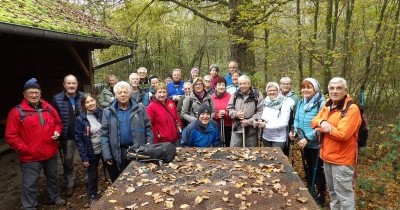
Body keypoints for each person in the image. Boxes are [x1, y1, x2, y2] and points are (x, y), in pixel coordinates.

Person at [6, 78, 66, 209]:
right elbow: (11, 136)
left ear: (40, 93)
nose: (34, 95)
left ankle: (54, 197)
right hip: (30, 157)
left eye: (36, 92)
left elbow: (58, 123)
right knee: (30, 184)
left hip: (50, 152)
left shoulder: (48, 108)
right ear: (24, 95)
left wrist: (57, 132)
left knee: (52, 178)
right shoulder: (17, 112)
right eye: (30, 92)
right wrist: (26, 149)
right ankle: (29, 207)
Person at [311, 77, 362, 210]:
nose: (335, 91)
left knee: (344, 196)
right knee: (333, 193)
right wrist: (323, 122)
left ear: (345, 90)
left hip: (343, 160)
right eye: (332, 88)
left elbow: (343, 134)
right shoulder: (328, 104)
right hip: (327, 157)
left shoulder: (352, 109)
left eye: (338, 88)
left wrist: (321, 128)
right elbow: (314, 121)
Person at [101, 81, 153, 182]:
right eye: (119, 93)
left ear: (130, 93)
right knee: (123, 179)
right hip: (120, 152)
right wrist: (107, 155)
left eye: (125, 92)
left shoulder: (140, 108)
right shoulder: (108, 112)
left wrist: (149, 147)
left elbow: (148, 128)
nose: (123, 94)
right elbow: (104, 135)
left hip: (139, 150)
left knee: (140, 178)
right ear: (115, 95)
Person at [75, 94, 116, 206]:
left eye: (92, 100)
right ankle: (92, 195)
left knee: (112, 169)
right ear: (84, 105)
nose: (90, 103)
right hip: (92, 151)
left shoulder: (103, 113)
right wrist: (84, 157)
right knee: (92, 174)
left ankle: (117, 189)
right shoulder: (81, 119)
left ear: (96, 101)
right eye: (87, 102)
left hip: (106, 148)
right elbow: (79, 140)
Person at [290, 78, 326, 206]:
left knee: (319, 170)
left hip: (317, 144)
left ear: (315, 88)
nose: (305, 89)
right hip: (303, 142)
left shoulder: (322, 103)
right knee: (309, 167)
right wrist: (294, 130)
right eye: (303, 87)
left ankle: (321, 196)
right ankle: (311, 191)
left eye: (309, 87)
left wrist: (308, 138)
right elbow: (296, 119)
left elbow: (321, 126)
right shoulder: (301, 102)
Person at [52, 74, 84, 197]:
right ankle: (70, 182)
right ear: (64, 85)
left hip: (83, 135)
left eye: (73, 83)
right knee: (68, 160)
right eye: (68, 83)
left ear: (77, 84)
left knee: (87, 158)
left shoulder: (83, 96)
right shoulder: (57, 98)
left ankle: (89, 179)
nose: (71, 85)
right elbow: (54, 118)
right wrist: (58, 135)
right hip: (67, 136)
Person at [254, 82, 293, 151]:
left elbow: (284, 123)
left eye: (274, 90)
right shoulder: (266, 102)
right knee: (268, 158)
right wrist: (259, 121)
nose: (272, 92)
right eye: (269, 90)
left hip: (278, 139)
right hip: (266, 137)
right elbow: (263, 117)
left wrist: (265, 125)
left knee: (277, 160)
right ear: (267, 92)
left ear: (278, 91)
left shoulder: (284, 103)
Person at [227, 75, 263, 147]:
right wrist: (236, 114)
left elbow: (261, 111)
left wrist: (249, 121)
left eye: (244, 83)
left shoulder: (257, 95)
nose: (242, 86)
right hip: (237, 128)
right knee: (234, 151)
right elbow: (229, 109)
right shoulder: (235, 95)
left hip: (251, 129)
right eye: (240, 84)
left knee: (251, 153)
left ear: (249, 84)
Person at [280, 76, 299, 156]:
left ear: (290, 85)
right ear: (280, 85)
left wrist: (293, 127)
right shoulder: (276, 95)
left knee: (286, 146)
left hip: (288, 125)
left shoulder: (294, 97)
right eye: (283, 84)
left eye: (287, 84)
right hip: (277, 125)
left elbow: (297, 113)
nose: (285, 86)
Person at [212, 78, 232, 147]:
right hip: (216, 125)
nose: (221, 87)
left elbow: (233, 110)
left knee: (228, 144)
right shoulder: (211, 98)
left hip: (228, 126)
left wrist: (226, 113)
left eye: (223, 85)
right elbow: (210, 111)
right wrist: (216, 115)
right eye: (219, 85)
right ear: (215, 87)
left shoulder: (230, 97)